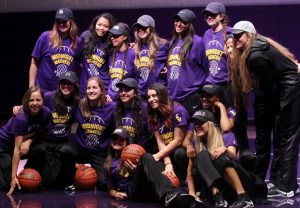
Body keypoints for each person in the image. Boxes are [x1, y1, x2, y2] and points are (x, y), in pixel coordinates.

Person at [230, 20, 300, 197]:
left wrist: (274, 109)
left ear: (249, 35)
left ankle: (287, 186)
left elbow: (271, 88)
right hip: (286, 89)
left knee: (287, 136)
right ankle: (277, 181)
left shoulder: (255, 56)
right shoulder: (257, 46)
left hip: (291, 89)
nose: (235, 38)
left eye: (239, 35)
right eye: (233, 35)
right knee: (281, 136)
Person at [11, 72, 80, 189]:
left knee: (68, 152)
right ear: (59, 84)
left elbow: (92, 102)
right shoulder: (49, 97)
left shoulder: (77, 101)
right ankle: (28, 173)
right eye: (63, 83)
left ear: (75, 86)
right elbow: (34, 102)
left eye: (70, 83)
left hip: (62, 141)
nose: (66, 86)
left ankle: (69, 178)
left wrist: (105, 98)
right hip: (45, 139)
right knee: (46, 182)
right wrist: (19, 107)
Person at [105, 127, 197, 208]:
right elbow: (110, 189)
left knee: (147, 156)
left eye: (121, 139)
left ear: (127, 141)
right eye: (114, 139)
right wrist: (116, 193)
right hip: (134, 194)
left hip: (148, 189)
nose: (117, 141)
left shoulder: (136, 154)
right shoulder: (109, 164)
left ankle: (174, 196)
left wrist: (136, 171)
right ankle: (170, 194)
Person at [187, 110, 256, 208]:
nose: (197, 126)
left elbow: (233, 156)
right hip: (218, 191)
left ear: (211, 124)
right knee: (202, 155)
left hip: (236, 184)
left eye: (201, 123)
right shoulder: (195, 144)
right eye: (196, 124)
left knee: (221, 155)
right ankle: (218, 196)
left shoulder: (226, 136)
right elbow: (189, 172)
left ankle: (244, 198)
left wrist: (225, 149)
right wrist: (191, 192)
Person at [60, 76, 115, 190]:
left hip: (99, 151)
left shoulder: (111, 107)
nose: (91, 90)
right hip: (82, 149)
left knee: (103, 184)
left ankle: (92, 171)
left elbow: (114, 131)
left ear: (101, 90)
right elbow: (72, 126)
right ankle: (70, 180)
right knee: (66, 150)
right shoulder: (80, 105)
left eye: (94, 87)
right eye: (88, 88)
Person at [5, 86, 51, 195]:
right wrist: (13, 177)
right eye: (31, 100)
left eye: (38, 100)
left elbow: (40, 131)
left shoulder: (46, 113)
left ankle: (26, 174)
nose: (35, 103)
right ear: (26, 101)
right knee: (7, 184)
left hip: (22, 143)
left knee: (40, 149)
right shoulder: (21, 117)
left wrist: (29, 141)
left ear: (43, 101)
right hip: (5, 145)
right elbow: (17, 148)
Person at [29, 8, 81, 92]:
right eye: (58, 21)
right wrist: (31, 88)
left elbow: (81, 66)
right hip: (44, 91)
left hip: (66, 92)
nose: (61, 24)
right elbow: (34, 62)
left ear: (71, 21)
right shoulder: (45, 37)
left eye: (64, 21)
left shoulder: (77, 41)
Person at [147, 83, 189, 181]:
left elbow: (178, 140)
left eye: (154, 95)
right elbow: (160, 142)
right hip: (166, 150)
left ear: (162, 95)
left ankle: (185, 181)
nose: (151, 100)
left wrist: (158, 156)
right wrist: (168, 163)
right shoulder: (152, 114)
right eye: (149, 97)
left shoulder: (178, 110)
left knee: (179, 153)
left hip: (180, 149)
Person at [167, 9, 206, 115]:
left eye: (183, 22)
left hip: (190, 95)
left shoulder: (197, 42)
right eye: (177, 20)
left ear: (189, 24)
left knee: (191, 130)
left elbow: (205, 67)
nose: (178, 24)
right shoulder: (173, 42)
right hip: (173, 95)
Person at [201, 2, 232, 106]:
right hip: (211, 84)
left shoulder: (230, 33)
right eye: (207, 15)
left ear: (222, 16)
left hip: (227, 84)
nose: (209, 17)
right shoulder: (207, 34)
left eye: (213, 14)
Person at [132, 15, 169, 99]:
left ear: (151, 29)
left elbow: (174, 60)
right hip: (141, 93)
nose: (140, 30)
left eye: (144, 27)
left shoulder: (163, 45)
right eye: (138, 28)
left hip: (158, 93)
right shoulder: (135, 48)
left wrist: (168, 68)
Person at [79, 13, 115, 95]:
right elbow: (79, 59)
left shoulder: (111, 43)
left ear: (110, 28)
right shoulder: (85, 36)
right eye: (99, 24)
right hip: (85, 87)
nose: (101, 28)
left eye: (106, 26)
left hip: (102, 88)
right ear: (95, 24)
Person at [114, 78, 149, 148]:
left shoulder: (145, 108)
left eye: (127, 90)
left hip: (140, 150)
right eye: (121, 90)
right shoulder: (117, 108)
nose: (123, 93)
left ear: (135, 93)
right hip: (122, 148)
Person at [107, 22, 135, 101]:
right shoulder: (111, 54)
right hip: (110, 100)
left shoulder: (132, 53)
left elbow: (137, 77)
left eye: (116, 35)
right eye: (112, 35)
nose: (112, 38)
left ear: (125, 37)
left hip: (125, 99)